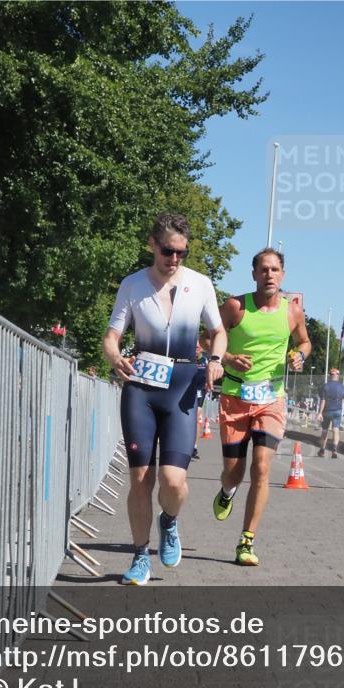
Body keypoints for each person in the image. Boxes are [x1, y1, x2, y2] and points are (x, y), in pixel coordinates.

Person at [103, 213, 226, 585]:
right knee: (141, 479)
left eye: (181, 253)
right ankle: (141, 555)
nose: (174, 259)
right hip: (141, 388)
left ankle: (169, 521)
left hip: (182, 388)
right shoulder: (132, 285)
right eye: (168, 251)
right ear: (152, 245)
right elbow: (111, 337)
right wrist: (115, 357)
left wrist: (216, 360)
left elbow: (218, 331)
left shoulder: (200, 284)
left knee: (173, 480)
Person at [209, 248, 310, 566]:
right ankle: (227, 491)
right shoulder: (235, 307)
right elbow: (206, 339)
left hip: (271, 398)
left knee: (262, 467)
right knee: (234, 472)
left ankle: (246, 540)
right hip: (235, 397)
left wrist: (299, 356)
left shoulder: (292, 311)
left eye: (275, 269)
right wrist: (227, 358)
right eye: (263, 269)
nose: (269, 275)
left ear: (283, 275)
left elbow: (304, 342)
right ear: (254, 274)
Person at [317, 368, 344, 458]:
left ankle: (322, 450)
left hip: (326, 411)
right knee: (336, 429)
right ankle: (334, 449)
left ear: (330, 376)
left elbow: (323, 400)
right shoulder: (342, 387)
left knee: (325, 430)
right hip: (337, 410)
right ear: (338, 376)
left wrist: (320, 412)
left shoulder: (325, 386)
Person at [191, 342, 208, 460]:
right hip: (185, 391)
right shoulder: (187, 359)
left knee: (196, 418)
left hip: (199, 391)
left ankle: (194, 447)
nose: (196, 349)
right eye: (194, 346)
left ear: (201, 348)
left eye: (198, 346)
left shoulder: (206, 361)